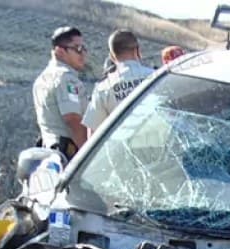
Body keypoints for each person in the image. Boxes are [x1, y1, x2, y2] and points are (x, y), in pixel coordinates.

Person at [32, 26, 90, 158]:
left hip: (51, 152)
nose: (83, 54)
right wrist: (90, 154)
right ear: (60, 51)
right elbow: (73, 119)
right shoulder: (66, 79)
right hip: (69, 153)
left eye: (84, 48)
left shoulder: (41, 79)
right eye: (78, 49)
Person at [83, 30, 155, 136]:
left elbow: (93, 132)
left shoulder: (103, 88)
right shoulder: (155, 77)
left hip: (122, 145)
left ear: (112, 56)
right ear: (138, 51)